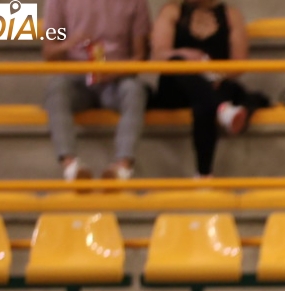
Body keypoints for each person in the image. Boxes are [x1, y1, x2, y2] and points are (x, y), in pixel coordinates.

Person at [148, 0, 266, 178]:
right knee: (179, 64)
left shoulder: (231, 15)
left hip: (214, 82)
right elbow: (159, 56)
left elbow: (239, 63)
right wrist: (185, 55)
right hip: (176, 87)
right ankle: (223, 109)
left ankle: (203, 175)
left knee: (205, 99)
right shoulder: (171, 11)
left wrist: (213, 74)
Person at [41, 0, 151, 181]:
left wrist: (113, 72)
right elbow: (49, 52)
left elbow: (140, 55)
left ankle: (122, 168)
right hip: (76, 79)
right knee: (57, 88)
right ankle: (71, 167)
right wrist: (69, 44)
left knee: (135, 90)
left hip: (117, 80)